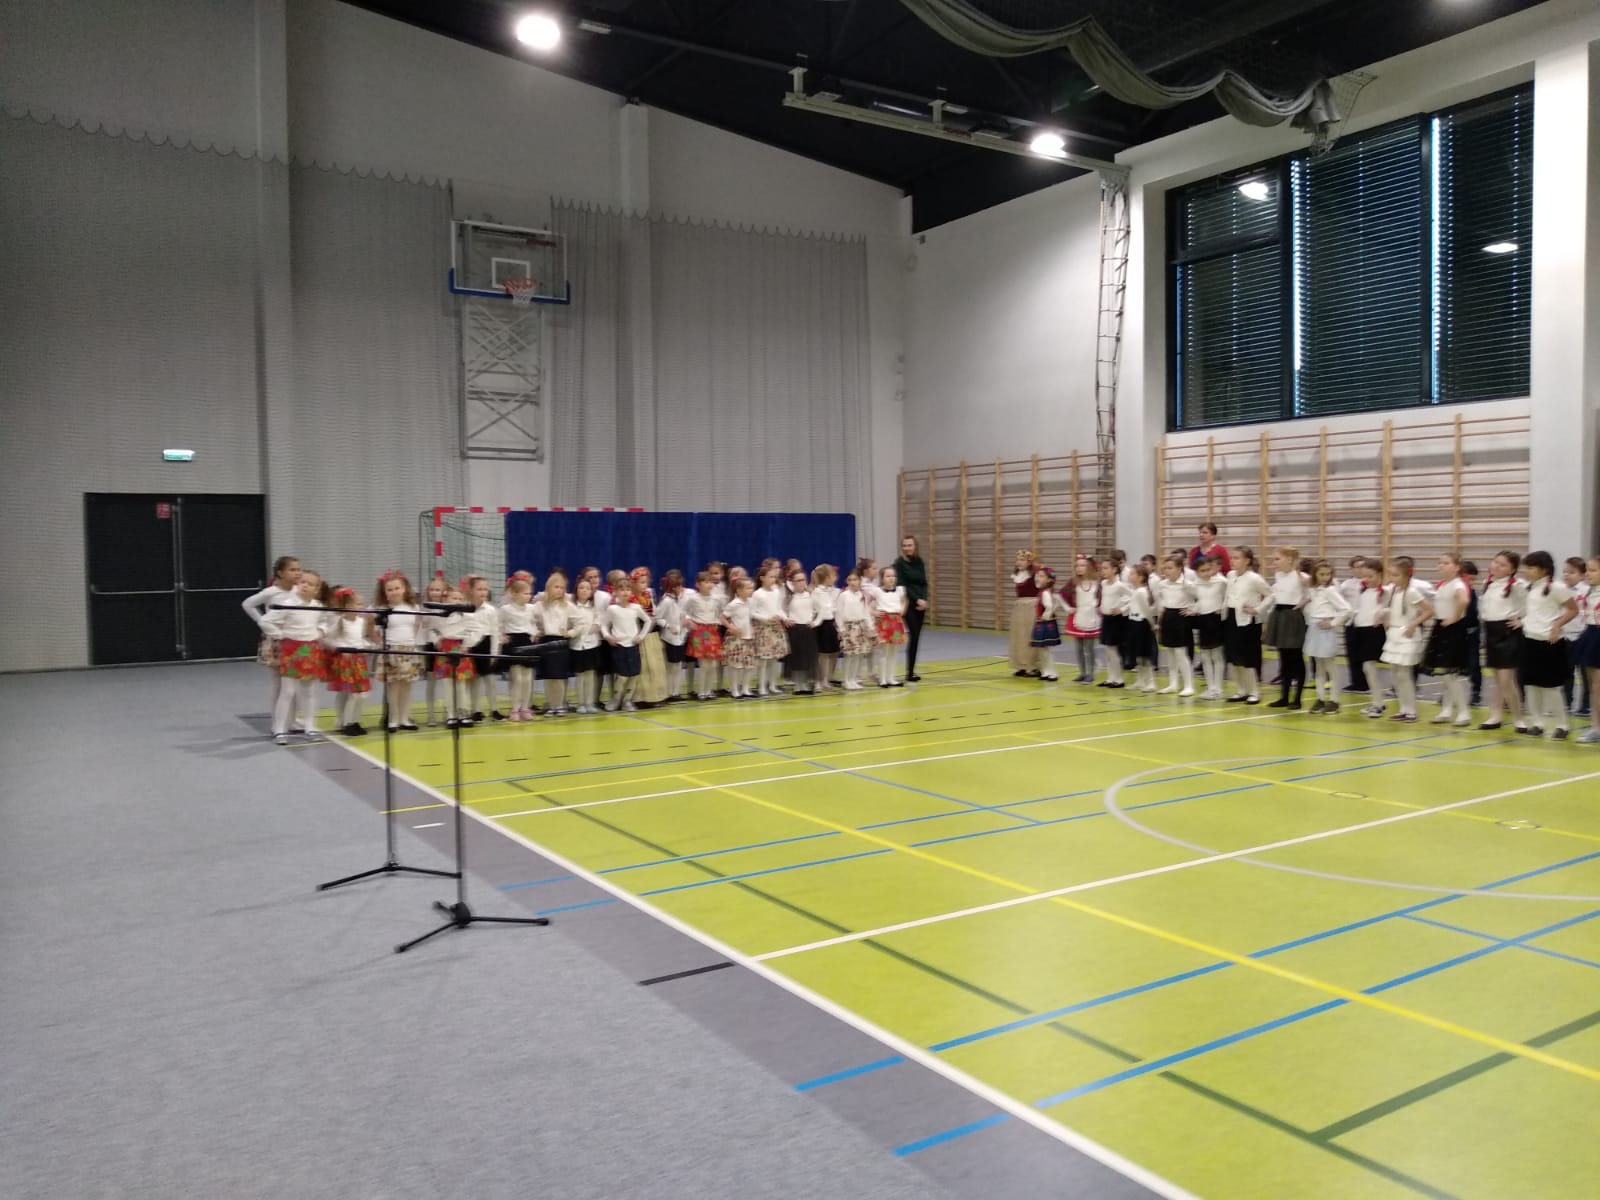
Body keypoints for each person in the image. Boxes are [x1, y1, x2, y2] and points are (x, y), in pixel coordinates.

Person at [263, 569, 332, 744]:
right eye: (302, 582)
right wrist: (279, 635)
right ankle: (279, 729)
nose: (305, 586)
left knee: (309, 691)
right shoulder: (288, 603)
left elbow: (325, 622)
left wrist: (320, 632)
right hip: (292, 650)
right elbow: (266, 621)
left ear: (317, 589)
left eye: (310, 584)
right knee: (288, 691)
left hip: (310, 650)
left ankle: (310, 727)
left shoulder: (318, 606)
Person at [1520, 551, 1578, 739]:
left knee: (1551, 686)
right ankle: (1537, 722)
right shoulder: (1529, 588)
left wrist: (1557, 625)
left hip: (1549, 642)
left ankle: (1562, 725)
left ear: (1544, 569)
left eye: (1531, 567)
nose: (1526, 571)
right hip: (1530, 639)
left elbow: (1573, 609)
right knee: (1531, 685)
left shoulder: (1557, 587)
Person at [1371, 557, 1430, 723]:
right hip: (1394, 634)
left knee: (1405, 674)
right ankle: (1403, 708)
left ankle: (1412, 710)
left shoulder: (1412, 592)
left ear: (1407, 575)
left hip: (1407, 636)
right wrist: (1384, 618)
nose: (1392, 578)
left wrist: (1413, 624)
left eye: (1396, 575)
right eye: (1390, 574)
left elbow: (1429, 610)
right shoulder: (1393, 591)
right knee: (1396, 674)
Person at [243, 555, 302, 718]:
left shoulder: (299, 591)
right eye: (292, 570)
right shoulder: (271, 592)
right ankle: (278, 717)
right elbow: (247, 604)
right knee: (279, 681)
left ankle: (292, 718)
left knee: (294, 681)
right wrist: (262, 621)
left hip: (295, 637)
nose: (297, 573)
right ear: (280, 573)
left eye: (299, 570)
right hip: (276, 638)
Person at [1477, 551, 1528, 732]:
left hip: (1508, 632)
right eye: (1495, 562)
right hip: (1491, 631)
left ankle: (1518, 718)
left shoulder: (1517, 585)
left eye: (1503, 565)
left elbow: (1532, 605)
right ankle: (1495, 716)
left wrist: (1523, 621)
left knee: (1507, 679)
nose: (1497, 566)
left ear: (1512, 570)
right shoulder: (1488, 583)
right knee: (1497, 679)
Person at [1424, 553, 1475, 727]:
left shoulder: (1458, 584)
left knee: (1450, 675)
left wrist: (1454, 617)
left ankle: (1464, 713)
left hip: (1453, 630)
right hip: (1441, 628)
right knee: (1447, 675)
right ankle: (1446, 710)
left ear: (1456, 567)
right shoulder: (1443, 584)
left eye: (1446, 563)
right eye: (1440, 562)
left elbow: (1464, 600)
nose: (1441, 565)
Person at [374, 571, 426, 733]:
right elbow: (373, 628)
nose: (394, 592)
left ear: (404, 589)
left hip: (409, 650)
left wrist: (412, 643)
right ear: (384, 592)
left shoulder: (413, 607)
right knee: (393, 687)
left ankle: (405, 718)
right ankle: (393, 719)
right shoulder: (383, 609)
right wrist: (381, 643)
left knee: (406, 686)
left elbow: (416, 626)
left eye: (397, 588)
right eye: (390, 590)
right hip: (392, 650)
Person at [1302, 560, 1352, 714]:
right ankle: (1321, 698)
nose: (1325, 577)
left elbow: (1347, 609)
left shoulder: (1330, 590)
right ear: (1315, 575)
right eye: (1321, 574)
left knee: (1330, 666)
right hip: (1314, 629)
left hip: (1326, 631)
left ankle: (1335, 700)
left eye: (1328, 574)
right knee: (1319, 667)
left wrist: (1332, 623)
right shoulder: (1313, 590)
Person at [324, 587, 374, 736]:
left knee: (362, 694)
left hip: (358, 661)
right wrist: (341, 649)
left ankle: (354, 720)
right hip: (346, 662)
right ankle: (346, 722)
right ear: (347, 605)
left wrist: (367, 646)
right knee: (350, 693)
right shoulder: (340, 622)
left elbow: (360, 639)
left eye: (361, 604)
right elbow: (328, 639)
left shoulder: (361, 622)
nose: (361, 607)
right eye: (358, 604)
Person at [1224, 547, 1272, 704]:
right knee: (1233, 658)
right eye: (1232, 557)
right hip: (1232, 618)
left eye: (1237, 558)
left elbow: (1271, 595)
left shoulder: (1254, 578)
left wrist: (1257, 609)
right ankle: (1241, 690)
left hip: (1248, 621)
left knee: (1247, 659)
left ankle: (1254, 692)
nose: (1233, 560)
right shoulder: (1230, 575)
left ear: (1247, 561)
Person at [1265, 546, 1309, 710]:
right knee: (1283, 658)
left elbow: (1313, 593)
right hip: (1279, 615)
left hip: (1292, 617)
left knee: (1296, 657)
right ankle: (1284, 697)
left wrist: (1304, 603)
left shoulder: (1302, 577)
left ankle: (1297, 698)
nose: (1274, 562)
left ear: (1290, 559)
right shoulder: (1278, 575)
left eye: (1277, 559)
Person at [1344, 558, 1387, 713]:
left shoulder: (1385, 591)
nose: (1367, 579)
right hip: (1360, 631)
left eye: (1370, 576)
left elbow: (1389, 609)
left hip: (1374, 632)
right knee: (1367, 668)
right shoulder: (1362, 591)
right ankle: (1377, 702)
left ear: (1380, 575)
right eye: (1364, 576)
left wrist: (1382, 614)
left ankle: (1379, 703)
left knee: (1369, 666)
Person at [602, 576, 650, 713]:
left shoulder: (636, 608)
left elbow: (648, 621)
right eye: (621, 589)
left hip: (633, 646)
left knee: (634, 674)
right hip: (620, 646)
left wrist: (641, 636)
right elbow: (604, 625)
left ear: (631, 592)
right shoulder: (612, 609)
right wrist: (608, 637)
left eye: (628, 589)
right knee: (622, 676)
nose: (625, 592)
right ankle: (616, 699)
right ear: (616, 592)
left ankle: (627, 700)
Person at [432, 586, 478, 728]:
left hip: (460, 649)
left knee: (461, 685)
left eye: (460, 599)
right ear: (446, 599)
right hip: (445, 649)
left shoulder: (467, 615)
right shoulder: (439, 615)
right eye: (454, 598)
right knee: (447, 685)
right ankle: (451, 714)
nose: (457, 601)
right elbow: (432, 629)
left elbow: (476, 630)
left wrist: (467, 644)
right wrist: (436, 640)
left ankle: (463, 713)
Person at [535, 572, 576, 716]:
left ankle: (560, 705)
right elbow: (531, 621)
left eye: (562, 588)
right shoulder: (540, 605)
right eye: (556, 587)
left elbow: (580, 623)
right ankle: (551, 705)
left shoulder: (568, 606)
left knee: (559, 677)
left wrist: (570, 633)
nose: (559, 590)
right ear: (548, 587)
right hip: (546, 641)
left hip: (560, 642)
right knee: (548, 676)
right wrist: (537, 631)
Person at [1154, 557, 1196, 697]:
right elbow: (1161, 603)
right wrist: (1159, 622)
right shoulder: (1162, 584)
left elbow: (1201, 597)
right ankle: (1173, 684)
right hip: (1168, 617)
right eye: (1165, 568)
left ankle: (1189, 685)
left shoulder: (1187, 584)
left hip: (1181, 618)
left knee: (1180, 653)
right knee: (1170, 652)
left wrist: (1193, 609)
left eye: (1170, 568)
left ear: (1179, 569)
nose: (1167, 571)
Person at [1190, 555, 1229, 700]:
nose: (1206, 573)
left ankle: (1218, 688)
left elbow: (1228, 597)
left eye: (1208, 569)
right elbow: (1198, 601)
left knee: (1217, 655)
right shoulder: (1194, 585)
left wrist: (1223, 609)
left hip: (1216, 620)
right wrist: (1194, 609)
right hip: (1203, 620)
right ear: (1197, 572)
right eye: (1202, 571)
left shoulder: (1221, 582)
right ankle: (1210, 687)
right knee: (1205, 656)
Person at [499, 577, 539, 721]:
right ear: (514, 594)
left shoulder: (531, 608)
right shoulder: (505, 609)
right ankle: (515, 708)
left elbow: (534, 624)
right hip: (513, 643)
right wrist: (501, 636)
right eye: (525, 593)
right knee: (517, 678)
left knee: (528, 678)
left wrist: (534, 633)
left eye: (530, 593)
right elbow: (497, 625)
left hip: (527, 642)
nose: (529, 596)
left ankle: (525, 707)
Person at [750, 564, 792, 697]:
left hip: (775, 628)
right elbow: (752, 613)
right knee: (763, 660)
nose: (773, 579)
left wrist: (785, 618)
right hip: (764, 629)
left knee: (774, 659)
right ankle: (762, 686)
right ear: (762, 578)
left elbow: (778, 609)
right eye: (770, 577)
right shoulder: (757, 594)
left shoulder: (776, 591)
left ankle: (772, 684)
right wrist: (766, 619)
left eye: (774, 577)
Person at [892, 536, 930, 681]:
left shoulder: (919, 562)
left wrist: (924, 599)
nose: (907, 548)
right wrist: (916, 599)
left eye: (910, 545)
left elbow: (923, 582)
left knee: (916, 637)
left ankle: (911, 671)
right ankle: (908, 671)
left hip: (920, 604)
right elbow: (902, 586)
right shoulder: (899, 564)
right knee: (913, 634)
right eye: (904, 545)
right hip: (908, 603)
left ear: (915, 546)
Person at [630, 567, 670, 705]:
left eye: (646, 582)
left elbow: (654, 613)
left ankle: (655, 696)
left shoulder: (648, 595)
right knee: (643, 668)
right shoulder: (631, 598)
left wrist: (660, 623)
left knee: (655, 666)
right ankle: (640, 698)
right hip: (638, 634)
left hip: (651, 635)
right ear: (633, 583)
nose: (645, 585)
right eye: (641, 582)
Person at [684, 570, 725, 701]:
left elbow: (720, 613)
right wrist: (689, 621)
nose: (709, 584)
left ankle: (708, 690)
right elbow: (684, 612)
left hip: (712, 631)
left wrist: (718, 622)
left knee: (713, 664)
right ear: (698, 584)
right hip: (700, 631)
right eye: (706, 582)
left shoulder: (716, 599)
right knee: (704, 664)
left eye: (711, 582)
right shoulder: (693, 598)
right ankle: (701, 692)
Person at [568, 576, 604, 715]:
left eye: (587, 588)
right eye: (581, 588)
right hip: (577, 645)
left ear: (591, 591)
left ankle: (589, 702)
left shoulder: (594, 607)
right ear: (576, 590)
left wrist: (596, 625)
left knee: (590, 674)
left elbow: (599, 619)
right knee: (580, 675)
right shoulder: (571, 607)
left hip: (591, 645)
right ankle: (581, 703)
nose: (584, 590)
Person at [1574, 556, 1600, 744]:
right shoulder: (1589, 591)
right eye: (1588, 570)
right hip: (1592, 634)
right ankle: (1596, 727)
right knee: (1594, 686)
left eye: (1593, 570)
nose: (1588, 574)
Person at [1064, 555, 1101, 683]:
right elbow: (1061, 595)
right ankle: (1082, 673)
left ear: (1089, 567)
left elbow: (1101, 597)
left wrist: (1099, 607)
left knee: (1089, 648)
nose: (1079, 568)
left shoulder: (1097, 583)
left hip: (1091, 618)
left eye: (1082, 565)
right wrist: (1068, 608)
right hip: (1078, 618)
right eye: (1077, 566)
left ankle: (1090, 673)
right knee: (1078, 648)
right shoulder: (1073, 582)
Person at [836, 569, 875, 692]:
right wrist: (841, 628)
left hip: (860, 627)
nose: (853, 582)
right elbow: (838, 613)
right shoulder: (843, 595)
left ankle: (853, 679)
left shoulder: (861, 595)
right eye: (850, 580)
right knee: (850, 655)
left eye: (855, 579)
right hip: (849, 628)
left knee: (859, 655)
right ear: (846, 581)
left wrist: (871, 627)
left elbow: (866, 612)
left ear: (860, 580)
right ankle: (846, 680)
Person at [784, 569, 821, 694]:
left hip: (807, 630)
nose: (801, 582)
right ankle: (797, 684)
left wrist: (815, 622)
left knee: (807, 658)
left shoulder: (811, 596)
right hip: (794, 630)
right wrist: (785, 619)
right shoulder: (789, 597)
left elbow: (821, 610)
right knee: (796, 658)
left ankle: (805, 683)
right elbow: (780, 609)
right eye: (798, 580)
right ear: (793, 583)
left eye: (803, 579)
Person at [1096, 559, 1131, 689]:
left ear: (1114, 569)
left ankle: (1119, 679)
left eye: (1106, 568)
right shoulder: (1104, 583)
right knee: (1108, 650)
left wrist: (1121, 609)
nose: (1103, 571)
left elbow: (1132, 598)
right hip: (1106, 619)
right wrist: (1101, 607)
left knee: (1113, 650)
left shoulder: (1120, 585)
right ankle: (1110, 678)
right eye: (1102, 568)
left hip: (1116, 620)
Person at [873, 565, 909, 687]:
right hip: (885, 622)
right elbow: (865, 601)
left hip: (896, 622)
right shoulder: (877, 591)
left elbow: (905, 600)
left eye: (893, 576)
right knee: (884, 652)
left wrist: (903, 608)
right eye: (888, 576)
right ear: (882, 578)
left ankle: (891, 677)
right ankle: (882, 679)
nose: (891, 578)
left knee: (893, 652)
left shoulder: (900, 590)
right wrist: (873, 612)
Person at [1124, 565, 1159, 692]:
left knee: (1145, 655)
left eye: (1133, 574)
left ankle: (1151, 682)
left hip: (1142, 624)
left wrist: (1152, 624)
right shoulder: (1135, 590)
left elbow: (1147, 610)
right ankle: (1140, 680)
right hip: (1133, 623)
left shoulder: (1141, 592)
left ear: (1141, 577)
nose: (1130, 576)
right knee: (1138, 654)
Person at [722, 577, 758, 698]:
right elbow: (722, 618)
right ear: (738, 590)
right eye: (748, 588)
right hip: (736, 639)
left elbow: (750, 617)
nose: (751, 590)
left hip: (748, 637)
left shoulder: (750, 602)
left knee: (749, 665)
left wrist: (752, 627)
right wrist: (731, 627)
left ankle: (745, 689)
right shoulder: (734, 604)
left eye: (752, 588)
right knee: (736, 666)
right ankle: (734, 689)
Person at [656, 570, 689, 702]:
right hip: (670, 638)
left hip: (679, 637)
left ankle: (675, 692)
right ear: (673, 587)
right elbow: (657, 617)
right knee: (671, 667)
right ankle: (669, 692)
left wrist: (686, 620)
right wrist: (669, 626)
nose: (682, 588)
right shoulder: (666, 601)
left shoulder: (678, 599)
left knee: (678, 666)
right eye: (679, 586)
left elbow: (681, 614)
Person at [1029, 566, 1064, 683]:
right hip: (1042, 622)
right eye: (1037, 576)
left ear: (1049, 580)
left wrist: (1046, 615)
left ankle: (1052, 672)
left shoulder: (1045, 593)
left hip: (1045, 623)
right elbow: (1055, 604)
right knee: (1043, 649)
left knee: (1045, 650)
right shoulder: (1044, 592)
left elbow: (1049, 606)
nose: (1037, 578)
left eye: (1041, 576)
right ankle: (1046, 671)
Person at [1009, 551, 1041, 677]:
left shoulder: (1035, 575)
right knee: (1019, 636)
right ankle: (1021, 665)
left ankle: (1032, 666)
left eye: (1022, 560)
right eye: (1018, 560)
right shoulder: (1017, 575)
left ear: (1029, 562)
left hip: (1031, 606)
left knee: (1030, 636)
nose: (1019, 562)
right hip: (1019, 607)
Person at [811, 564, 841, 693]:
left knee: (833, 652)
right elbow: (819, 610)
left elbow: (835, 609)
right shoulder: (817, 592)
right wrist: (816, 622)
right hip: (821, 625)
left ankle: (827, 679)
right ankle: (818, 680)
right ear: (827, 577)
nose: (835, 578)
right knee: (822, 654)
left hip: (831, 624)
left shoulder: (834, 591)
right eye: (833, 575)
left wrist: (839, 627)